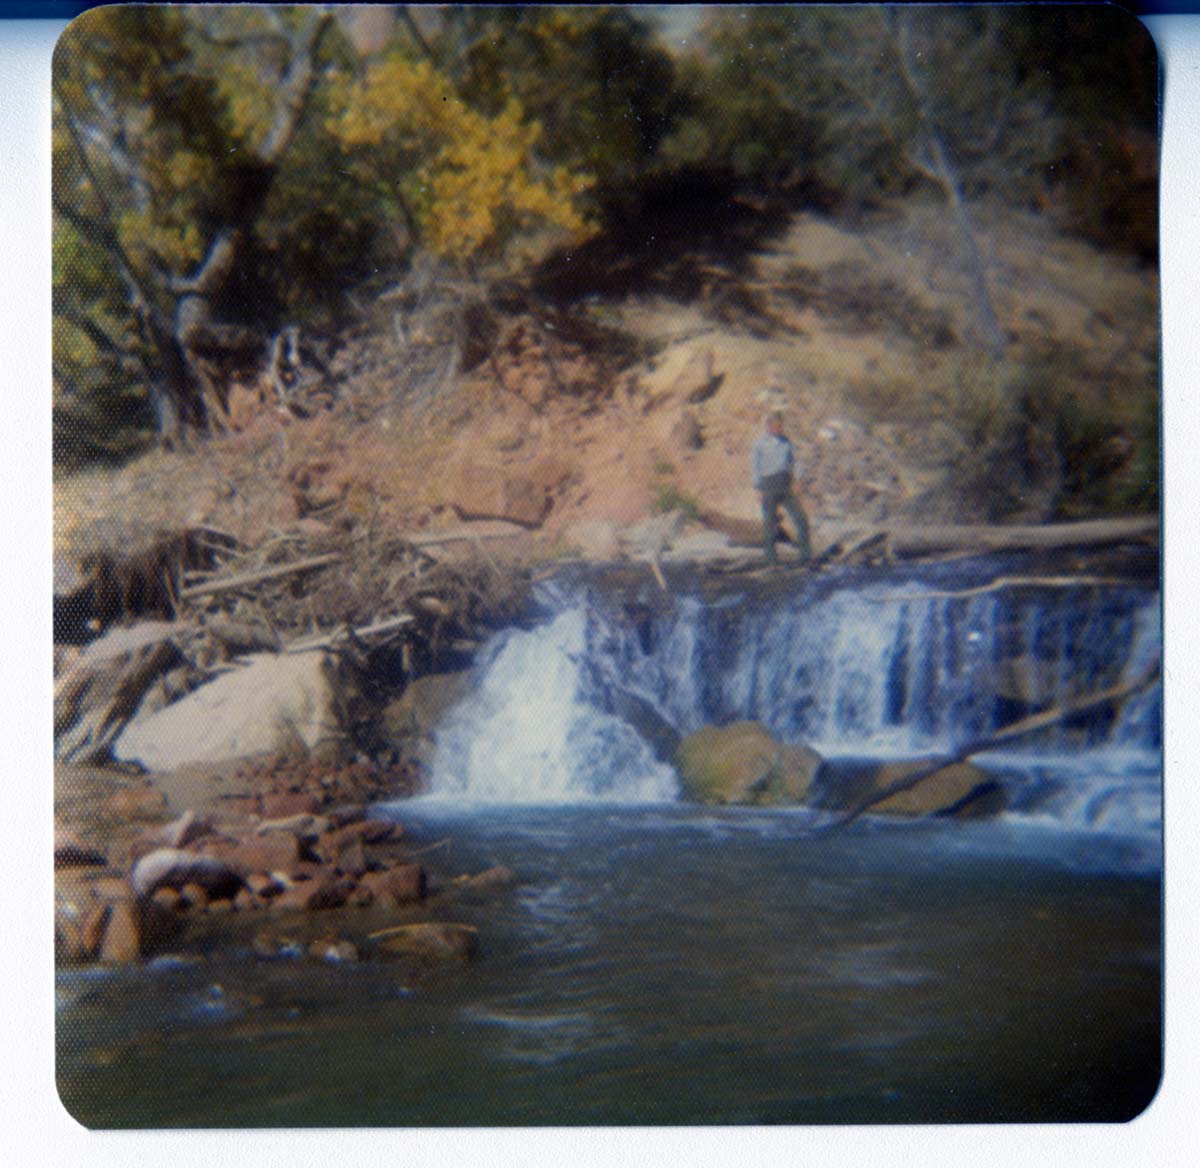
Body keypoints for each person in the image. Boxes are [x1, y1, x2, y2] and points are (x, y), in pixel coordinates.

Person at [751, 409, 811, 565]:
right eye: (775, 425)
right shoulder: (759, 444)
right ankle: (771, 560)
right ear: (768, 426)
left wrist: (797, 480)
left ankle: (805, 556)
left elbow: (795, 461)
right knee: (769, 523)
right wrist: (757, 488)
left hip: (785, 484)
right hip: (768, 485)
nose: (778, 428)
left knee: (801, 518)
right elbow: (755, 467)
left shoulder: (786, 442)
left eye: (780, 425)